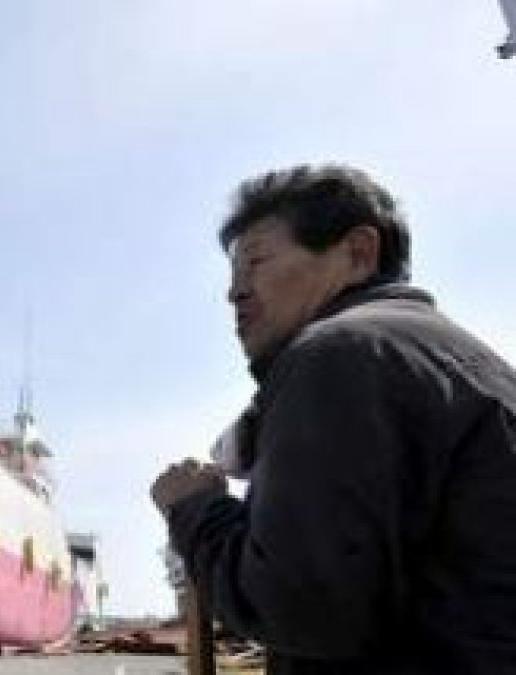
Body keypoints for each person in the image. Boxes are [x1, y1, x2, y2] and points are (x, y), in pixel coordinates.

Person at [151, 163, 516, 674]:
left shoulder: (336, 354)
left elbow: (299, 607)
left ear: (358, 253)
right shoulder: (456, 359)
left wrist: (196, 508)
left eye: (256, 262)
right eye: (234, 276)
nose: (234, 292)